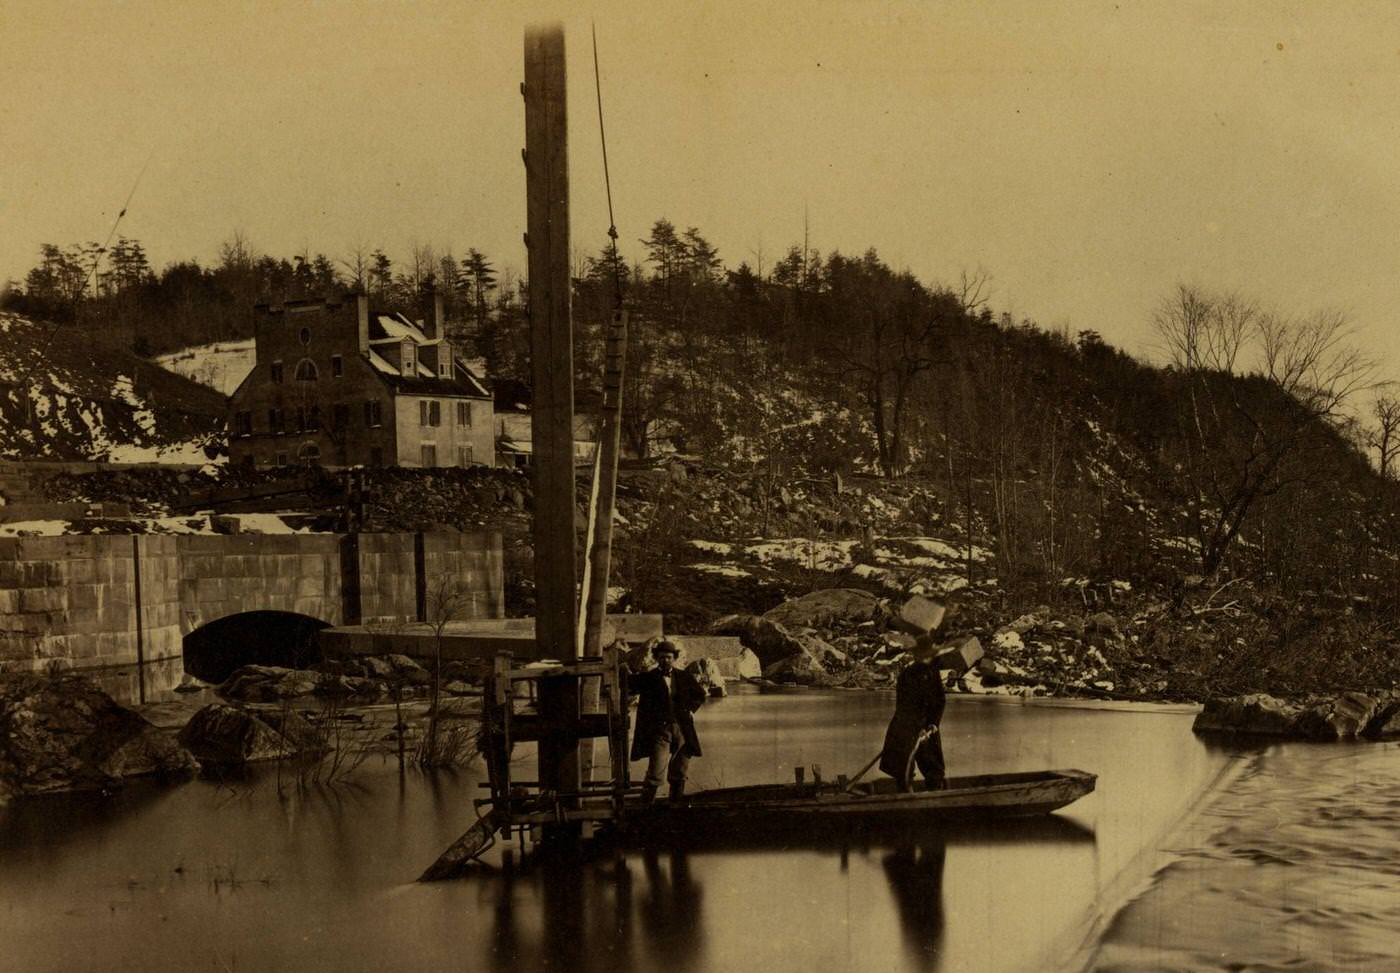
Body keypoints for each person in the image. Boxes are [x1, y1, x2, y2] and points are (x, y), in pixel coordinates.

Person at [629, 640, 706, 803]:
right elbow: (628, 686)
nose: (666, 660)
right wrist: (622, 670)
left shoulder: (684, 676)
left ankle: (675, 805)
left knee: (680, 768)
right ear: (657, 658)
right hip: (660, 730)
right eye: (662, 657)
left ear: (674, 658)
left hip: (682, 728)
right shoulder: (648, 678)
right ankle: (645, 806)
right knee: (656, 769)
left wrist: (691, 710)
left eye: (669, 657)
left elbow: (700, 695)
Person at [878, 634, 947, 792]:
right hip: (905, 724)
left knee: (932, 765)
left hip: (926, 727)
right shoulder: (908, 674)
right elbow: (904, 704)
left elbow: (940, 700)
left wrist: (933, 723)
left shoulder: (932, 673)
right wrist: (912, 726)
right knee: (902, 765)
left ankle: (935, 796)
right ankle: (905, 796)